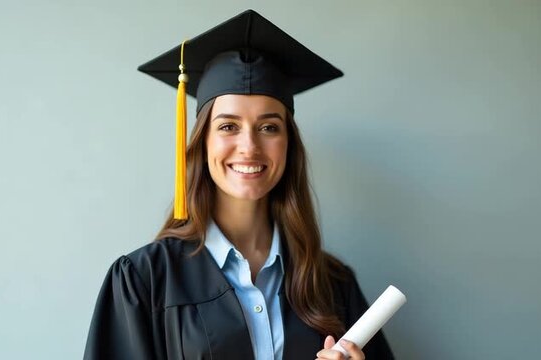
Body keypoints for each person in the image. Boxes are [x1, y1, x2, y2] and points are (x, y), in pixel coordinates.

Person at [83, 10, 396, 360]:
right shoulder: (144, 281)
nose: (249, 146)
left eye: (269, 127)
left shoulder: (332, 284)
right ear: (202, 142)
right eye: (228, 126)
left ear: (289, 144)